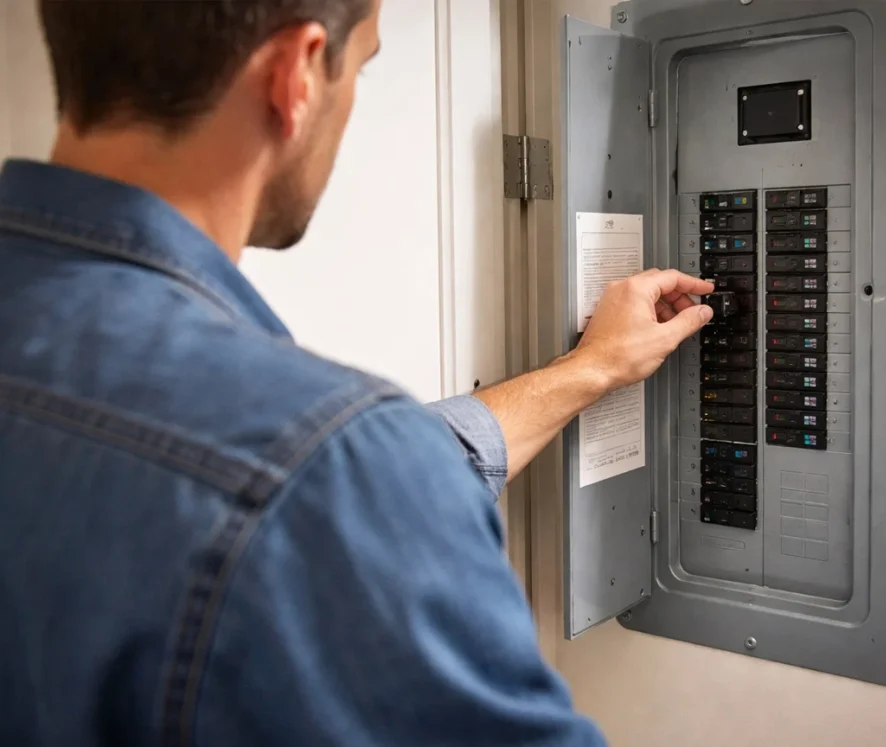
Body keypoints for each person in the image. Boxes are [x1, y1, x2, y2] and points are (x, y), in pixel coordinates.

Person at [0, 1, 714, 745]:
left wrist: (589, 369)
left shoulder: (317, 468)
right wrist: (376, 466)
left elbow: (280, 481)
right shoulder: (323, 472)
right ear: (296, 75)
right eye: (362, 66)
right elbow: (312, 484)